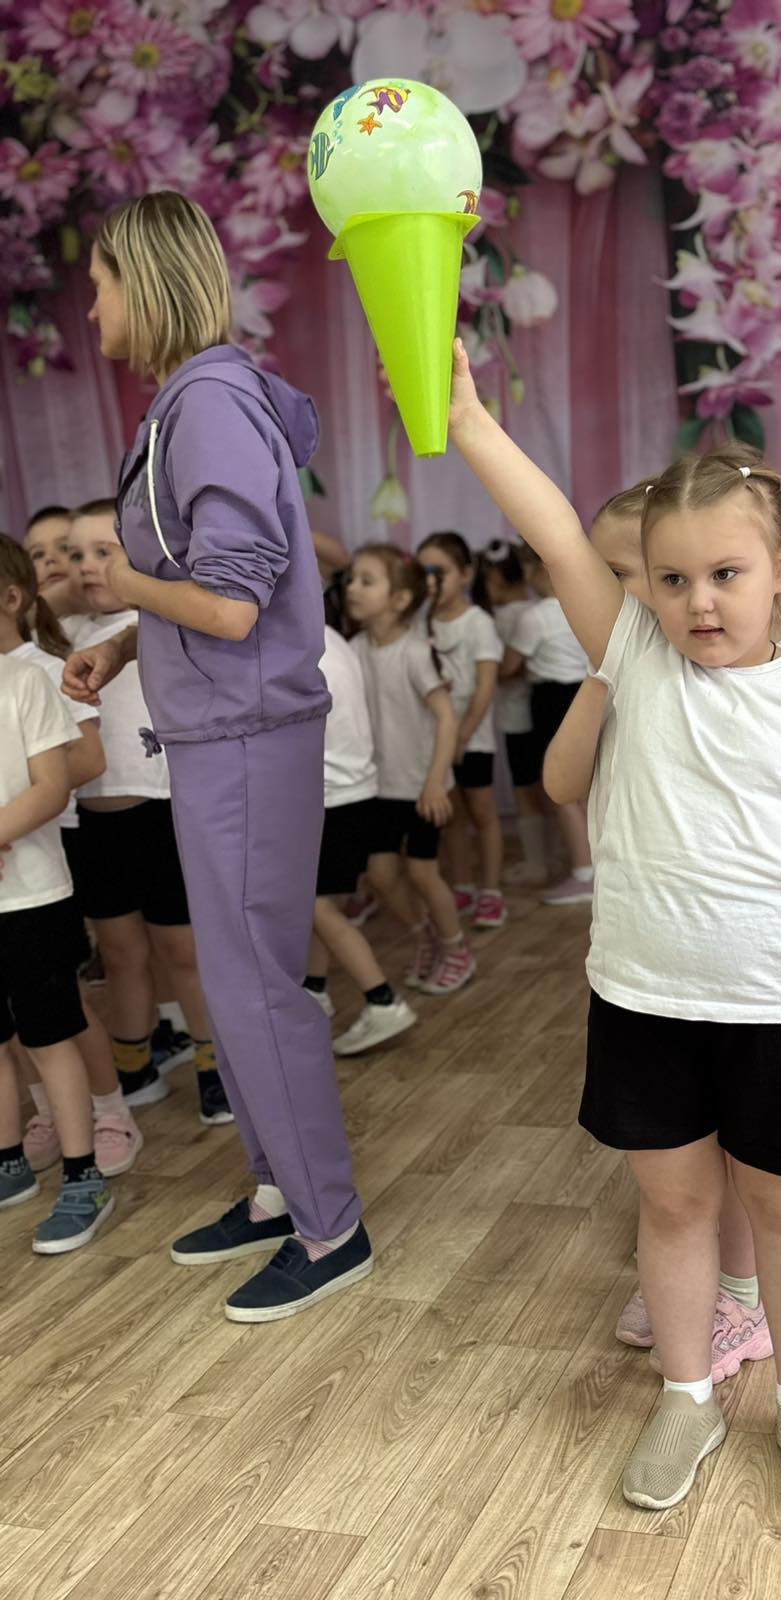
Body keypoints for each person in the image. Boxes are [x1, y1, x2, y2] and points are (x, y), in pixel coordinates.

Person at [450, 340, 781, 1520]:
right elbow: (559, 535)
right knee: (672, 1207)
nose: (699, 601)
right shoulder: (636, 655)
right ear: (645, 588)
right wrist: (473, 424)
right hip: (645, 998)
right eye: (672, 579)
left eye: (725, 573)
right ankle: (687, 1393)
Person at [63, 190, 370, 1323]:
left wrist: (121, 584)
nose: (89, 308)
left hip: (245, 736)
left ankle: (330, 1223)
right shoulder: (197, 402)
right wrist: (124, 639)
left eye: (99, 284)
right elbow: (208, 586)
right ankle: (280, 1189)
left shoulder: (208, 405)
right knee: (237, 986)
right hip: (220, 734)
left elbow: (234, 606)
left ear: (145, 284)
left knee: (253, 987)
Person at [544, 483, 778, 1384]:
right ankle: (698, 1286)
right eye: (608, 575)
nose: (615, 592)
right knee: (677, 1163)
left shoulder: (765, 676)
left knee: (745, 1156)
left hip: (745, 967)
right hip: (653, 965)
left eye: (628, 574)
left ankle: (741, 1296)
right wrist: (603, 681)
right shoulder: (626, 670)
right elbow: (563, 784)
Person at [64, 502, 232, 1127]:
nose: (87, 567)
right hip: (92, 819)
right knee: (119, 951)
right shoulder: (62, 631)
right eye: (74, 555)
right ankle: (135, 1062)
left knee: (182, 950)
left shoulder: (153, 622)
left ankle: (215, 1065)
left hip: (159, 812)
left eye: (101, 552)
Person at [0, 533, 147, 1181]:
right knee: (19, 1018)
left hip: (45, 846)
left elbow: (85, 760)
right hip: (17, 849)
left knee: (65, 1003)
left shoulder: (40, 669)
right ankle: (47, 1115)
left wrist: (17, 813)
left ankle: (109, 1112)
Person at [0, 650, 114, 1252]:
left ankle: (82, 1176)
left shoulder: (23, 681)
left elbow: (51, 788)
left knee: (48, 1037)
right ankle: (8, 1161)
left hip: (32, 897)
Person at [347, 545, 476, 997]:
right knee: (381, 875)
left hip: (422, 786)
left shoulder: (416, 652)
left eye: (366, 581)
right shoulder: (352, 650)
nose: (352, 588)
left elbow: (446, 718)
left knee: (423, 873)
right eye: (352, 579)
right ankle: (426, 936)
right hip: (378, 787)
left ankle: (456, 949)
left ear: (400, 599)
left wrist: (435, 782)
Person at [312, 618, 418, 1055]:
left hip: (333, 796)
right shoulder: (331, 637)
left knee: (316, 907)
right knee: (322, 904)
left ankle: (382, 999)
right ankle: (314, 990)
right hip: (351, 792)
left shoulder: (302, 645)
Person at [417, 532, 507, 930]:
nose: (430, 580)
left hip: (473, 738)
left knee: (483, 812)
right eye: (423, 571)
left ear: (465, 575)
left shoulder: (478, 623)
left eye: (440, 571)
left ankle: (491, 891)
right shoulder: (421, 621)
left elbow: (486, 686)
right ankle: (464, 885)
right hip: (438, 739)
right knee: (450, 816)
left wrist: (465, 735)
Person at [502, 545, 594, 906]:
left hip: (551, 701)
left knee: (561, 791)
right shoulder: (584, 604)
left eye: (527, 570)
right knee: (584, 791)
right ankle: (592, 867)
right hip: (583, 694)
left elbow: (508, 667)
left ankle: (583, 873)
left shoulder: (535, 616)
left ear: (542, 568)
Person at [477, 540, 549, 883]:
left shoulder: (506, 618)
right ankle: (555, 855)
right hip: (540, 712)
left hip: (516, 716)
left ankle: (536, 862)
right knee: (546, 791)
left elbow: (508, 667)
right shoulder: (538, 610)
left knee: (524, 791)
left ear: (496, 581)